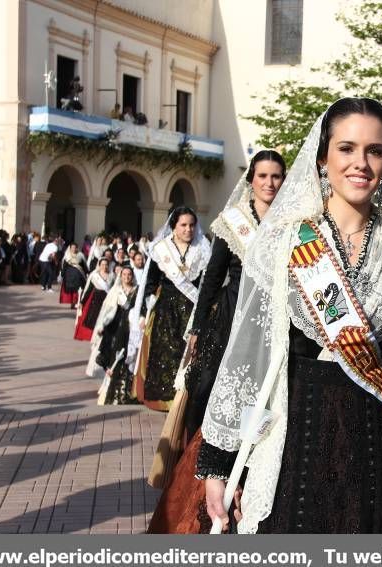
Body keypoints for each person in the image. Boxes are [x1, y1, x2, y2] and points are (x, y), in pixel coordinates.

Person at [194, 98, 382, 535]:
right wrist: (221, 462)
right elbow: (251, 359)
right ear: (322, 157)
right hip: (296, 437)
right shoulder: (284, 242)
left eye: (375, 151)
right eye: (346, 148)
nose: (361, 163)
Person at [147, 150, 287, 528]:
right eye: (263, 176)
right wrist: (196, 328)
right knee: (210, 386)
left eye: (276, 176)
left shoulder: (290, 222)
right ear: (251, 180)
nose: (270, 183)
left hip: (273, 316)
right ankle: (206, 464)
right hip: (231, 315)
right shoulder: (233, 221)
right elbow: (213, 277)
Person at [133, 207, 211, 411]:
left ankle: (184, 398)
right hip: (166, 310)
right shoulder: (161, 249)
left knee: (189, 355)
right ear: (174, 226)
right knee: (166, 352)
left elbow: (208, 282)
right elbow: (150, 283)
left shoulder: (203, 248)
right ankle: (164, 399)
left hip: (192, 310)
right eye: (183, 225)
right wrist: (144, 313)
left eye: (192, 225)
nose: (188, 229)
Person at [92, 267, 140, 404]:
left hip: (131, 329)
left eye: (129, 274)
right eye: (124, 274)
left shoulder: (137, 291)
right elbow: (106, 311)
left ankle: (128, 391)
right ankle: (112, 390)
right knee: (114, 357)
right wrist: (102, 326)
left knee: (129, 358)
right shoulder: (115, 291)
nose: (127, 277)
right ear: (121, 276)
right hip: (115, 328)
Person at [74, 258, 114, 342]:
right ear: (99, 266)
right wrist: (82, 302)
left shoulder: (112, 276)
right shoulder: (95, 276)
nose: (104, 266)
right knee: (94, 317)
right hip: (96, 299)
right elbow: (88, 290)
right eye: (102, 265)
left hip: (107, 299)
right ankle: (93, 335)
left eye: (106, 264)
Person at [59, 243, 87, 307]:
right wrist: (62, 274)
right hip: (69, 275)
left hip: (78, 275)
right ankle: (72, 303)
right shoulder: (67, 256)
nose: (74, 249)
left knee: (77, 289)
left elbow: (84, 266)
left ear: (77, 248)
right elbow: (64, 266)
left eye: (75, 247)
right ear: (70, 248)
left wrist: (86, 272)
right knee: (71, 289)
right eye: (72, 247)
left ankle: (76, 302)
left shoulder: (80, 256)